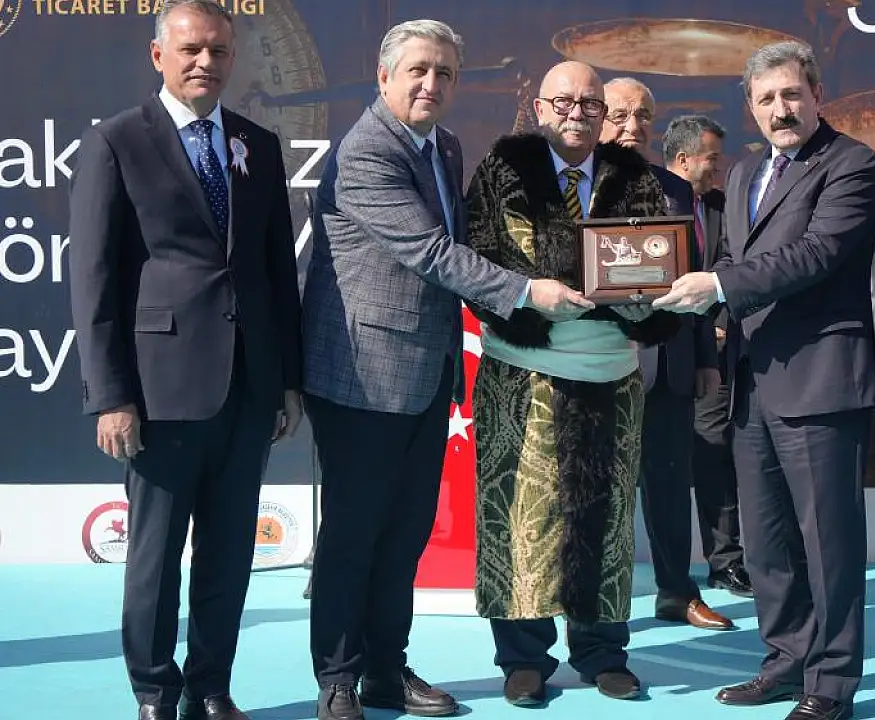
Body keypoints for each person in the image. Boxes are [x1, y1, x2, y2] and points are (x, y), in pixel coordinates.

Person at [301, 21, 590, 720]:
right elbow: (431, 252)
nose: (432, 84)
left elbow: (462, 244)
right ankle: (338, 679)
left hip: (425, 373)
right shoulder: (367, 150)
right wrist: (528, 291)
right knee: (352, 536)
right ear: (384, 77)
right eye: (419, 71)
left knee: (403, 534)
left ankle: (385, 670)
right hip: (363, 374)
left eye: (445, 73)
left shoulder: (444, 144)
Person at [68, 2, 303, 719]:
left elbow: (276, 270)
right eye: (191, 49)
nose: (206, 62)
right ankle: (154, 691)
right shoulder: (116, 141)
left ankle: (210, 688)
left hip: (248, 388)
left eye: (219, 51)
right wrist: (111, 395)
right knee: (154, 556)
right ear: (158, 55)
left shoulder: (258, 144)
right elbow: (94, 280)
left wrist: (286, 382)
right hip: (159, 391)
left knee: (229, 554)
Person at [655, 41, 875, 720]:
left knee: (828, 543)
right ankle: (785, 660)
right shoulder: (748, 172)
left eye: (791, 94)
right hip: (751, 382)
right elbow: (731, 255)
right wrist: (682, 295)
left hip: (821, 380)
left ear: (816, 96)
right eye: (766, 99)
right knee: (766, 541)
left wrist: (718, 286)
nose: (780, 109)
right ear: (750, 109)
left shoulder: (852, 164)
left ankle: (830, 684)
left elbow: (818, 252)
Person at [464, 60, 680, 707]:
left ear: (604, 114)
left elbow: (661, 269)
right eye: (564, 102)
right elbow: (478, 263)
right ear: (540, 108)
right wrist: (535, 300)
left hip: (609, 374)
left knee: (605, 519)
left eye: (590, 104)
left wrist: (645, 304)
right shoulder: (501, 171)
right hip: (522, 372)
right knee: (521, 520)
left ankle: (602, 653)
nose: (577, 114)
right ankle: (523, 658)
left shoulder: (635, 178)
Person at [599, 77, 735, 631]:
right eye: (619, 115)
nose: (632, 126)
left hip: (670, 364)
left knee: (671, 489)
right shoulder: (573, 186)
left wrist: (704, 357)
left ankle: (677, 592)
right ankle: (595, 607)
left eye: (642, 116)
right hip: (597, 364)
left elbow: (694, 277)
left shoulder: (676, 190)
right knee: (598, 491)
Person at [663, 114, 753, 598]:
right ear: (684, 159)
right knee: (664, 465)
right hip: (654, 354)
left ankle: (726, 562)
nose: (719, 169)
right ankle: (668, 579)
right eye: (712, 160)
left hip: (713, 352)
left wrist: (717, 321)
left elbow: (731, 262)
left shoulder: (720, 206)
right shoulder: (649, 201)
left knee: (716, 451)